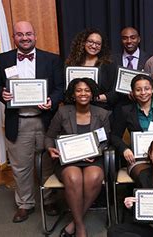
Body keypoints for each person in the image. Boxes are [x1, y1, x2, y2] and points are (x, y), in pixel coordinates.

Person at [0, 21, 64, 222]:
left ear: (35, 35)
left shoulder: (52, 59)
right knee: (20, 166)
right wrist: (1, 93)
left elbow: (61, 87)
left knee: (48, 163)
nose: (25, 38)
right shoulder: (3, 59)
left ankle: (48, 201)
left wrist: (52, 101)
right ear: (14, 37)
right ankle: (25, 204)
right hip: (19, 121)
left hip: (46, 121)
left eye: (28, 33)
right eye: (20, 34)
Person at [45, 78, 111, 237]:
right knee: (74, 178)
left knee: (94, 177)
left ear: (92, 93)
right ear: (73, 94)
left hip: (93, 159)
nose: (83, 93)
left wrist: (97, 152)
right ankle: (80, 226)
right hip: (68, 160)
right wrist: (50, 149)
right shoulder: (62, 112)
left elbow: (105, 141)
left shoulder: (102, 114)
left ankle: (73, 222)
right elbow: (49, 137)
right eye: (79, 90)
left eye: (87, 90)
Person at [110, 74, 153, 182]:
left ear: (152, 89)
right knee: (145, 176)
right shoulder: (125, 111)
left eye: (146, 89)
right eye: (138, 90)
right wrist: (125, 149)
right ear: (132, 92)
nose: (143, 93)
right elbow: (114, 136)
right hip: (138, 158)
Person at [65, 28, 118, 110]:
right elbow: (65, 89)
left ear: (102, 46)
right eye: (90, 41)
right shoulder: (72, 64)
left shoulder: (108, 65)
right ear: (83, 42)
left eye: (98, 44)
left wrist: (94, 98)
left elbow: (114, 93)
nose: (94, 46)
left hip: (100, 110)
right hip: (75, 109)